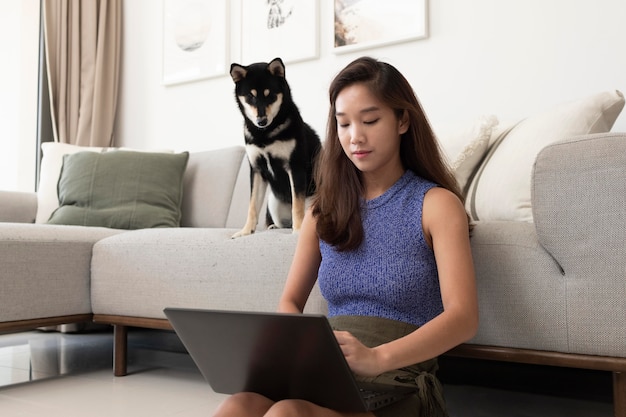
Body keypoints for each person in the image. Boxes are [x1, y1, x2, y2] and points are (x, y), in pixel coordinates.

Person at [213, 56, 478, 417]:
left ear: (402, 120)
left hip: (395, 379)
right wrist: (298, 351)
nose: (356, 136)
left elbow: (463, 317)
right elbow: (290, 301)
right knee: (238, 405)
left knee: (287, 414)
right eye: (343, 124)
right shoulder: (324, 210)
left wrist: (377, 357)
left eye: (370, 120)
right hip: (329, 372)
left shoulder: (436, 205)